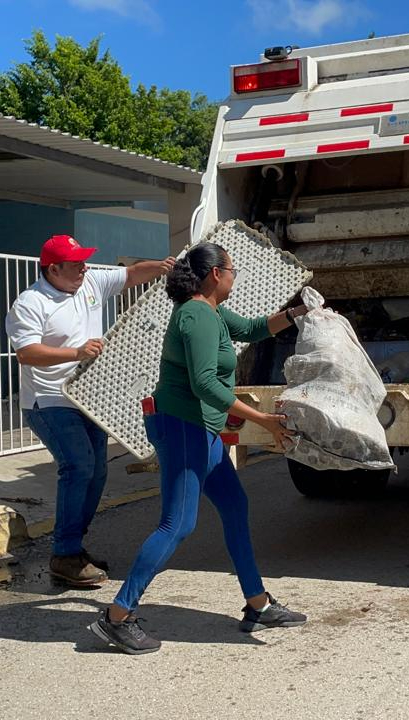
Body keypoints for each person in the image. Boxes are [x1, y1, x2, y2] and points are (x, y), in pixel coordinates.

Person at [89, 241, 309, 655]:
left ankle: (257, 603)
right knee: (177, 524)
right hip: (184, 428)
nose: (234, 276)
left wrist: (298, 313)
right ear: (215, 275)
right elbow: (204, 383)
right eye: (232, 270)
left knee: (234, 505)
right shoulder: (196, 317)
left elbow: (253, 329)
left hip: (202, 430)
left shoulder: (211, 312)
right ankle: (116, 617)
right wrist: (262, 419)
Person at [6, 234, 174, 587]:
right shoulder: (31, 303)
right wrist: (76, 352)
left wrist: (161, 267)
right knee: (78, 466)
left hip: (89, 397)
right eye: (76, 263)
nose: (84, 268)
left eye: (84, 261)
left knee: (97, 472)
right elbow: (27, 354)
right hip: (49, 399)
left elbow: (130, 275)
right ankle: (65, 554)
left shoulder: (90, 281)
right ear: (53, 269)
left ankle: (73, 547)